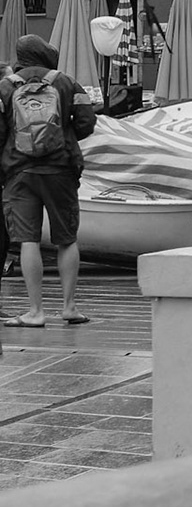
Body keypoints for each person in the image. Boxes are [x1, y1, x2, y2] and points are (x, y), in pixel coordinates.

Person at [0, 35, 98, 329]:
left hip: (19, 172)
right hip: (61, 170)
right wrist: (62, 140)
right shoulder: (67, 82)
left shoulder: (5, 87)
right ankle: (69, 307)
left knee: (28, 239)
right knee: (66, 239)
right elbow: (86, 122)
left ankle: (34, 311)